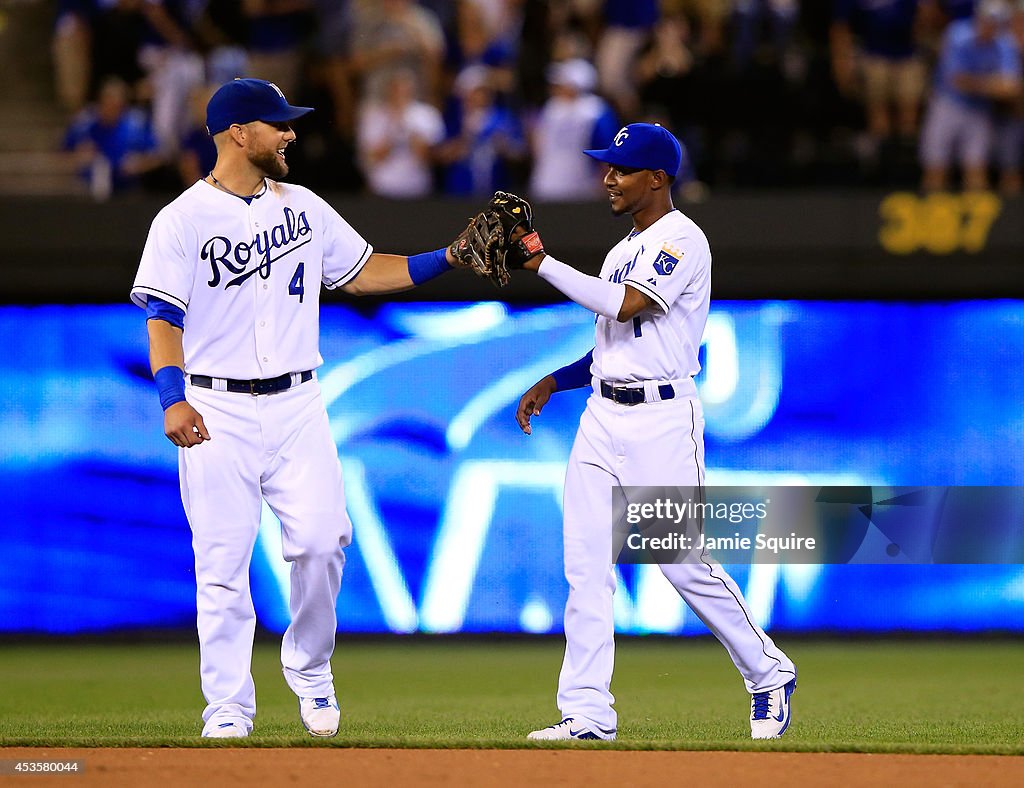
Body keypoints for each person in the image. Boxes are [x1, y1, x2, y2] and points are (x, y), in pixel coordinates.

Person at [130, 78, 466, 738]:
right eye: (276, 124)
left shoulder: (304, 207)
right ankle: (227, 709)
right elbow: (163, 321)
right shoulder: (181, 220)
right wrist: (172, 399)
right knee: (221, 569)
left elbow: (367, 270)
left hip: (298, 403)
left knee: (323, 540)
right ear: (236, 133)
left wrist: (450, 257)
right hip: (215, 407)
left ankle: (309, 667)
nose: (290, 133)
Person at [512, 123, 797, 741]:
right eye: (607, 167)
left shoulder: (683, 239)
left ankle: (769, 672)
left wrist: (542, 264)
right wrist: (553, 382)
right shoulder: (622, 249)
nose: (608, 178)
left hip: (662, 421)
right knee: (586, 566)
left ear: (658, 177)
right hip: (601, 417)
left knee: (680, 561)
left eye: (621, 168)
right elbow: (612, 348)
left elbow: (627, 307)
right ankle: (586, 713)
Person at [919, 0, 1022, 191]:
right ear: (978, 18)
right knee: (936, 166)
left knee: (976, 170)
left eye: (995, 23)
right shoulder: (957, 34)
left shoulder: (1004, 43)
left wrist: (981, 84)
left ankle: (975, 217)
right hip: (948, 105)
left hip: (979, 111)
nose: (989, 26)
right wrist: (992, 84)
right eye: (987, 21)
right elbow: (957, 80)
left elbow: (1012, 86)